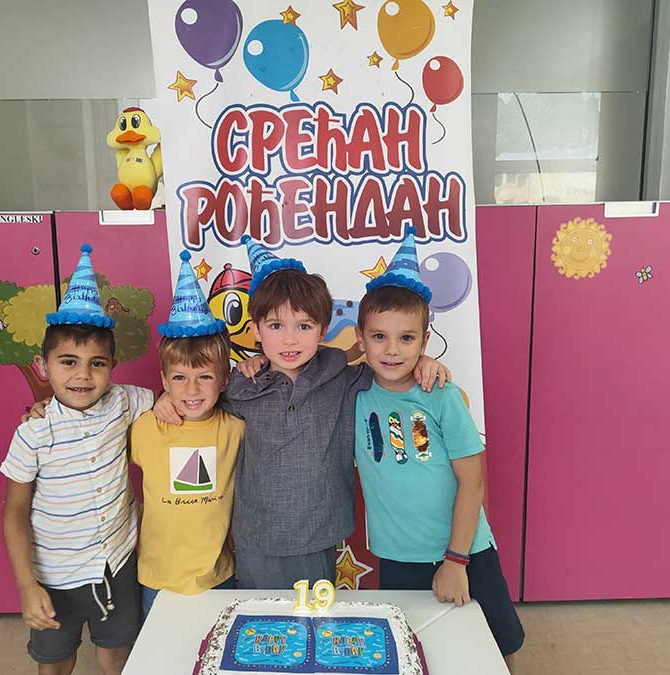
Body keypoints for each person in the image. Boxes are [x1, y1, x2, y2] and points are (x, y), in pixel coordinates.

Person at [155, 236, 450, 590]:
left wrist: (422, 361)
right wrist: (166, 398)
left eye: (304, 326)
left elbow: (391, 369)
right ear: (256, 331)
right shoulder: (241, 387)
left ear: (323, 330)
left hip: (318, 535)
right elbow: (197, 400)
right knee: (260, 617)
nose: (290, 340)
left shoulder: (343, 377)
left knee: (313, 618)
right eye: (276, 326)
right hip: (257, 538)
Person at [352, 227, 524, 663]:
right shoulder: (352, 392)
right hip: (397, 556)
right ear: (360, 338)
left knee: (496, 645)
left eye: (407, 338)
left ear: (425, 341)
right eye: (379, 337)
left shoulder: (441, 395)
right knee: (413, 649)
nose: (392, 350)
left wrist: (456, 560)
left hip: (465, 550)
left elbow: (472, 483)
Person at [1, 244, 153, 675]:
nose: (83, 375)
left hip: (117, 564)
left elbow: (176, 398)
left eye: (96, 363)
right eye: (68, 362)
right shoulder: (34, 431)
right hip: (56, 574)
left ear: (113, 366)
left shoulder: (125, 400)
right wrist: (27, 586)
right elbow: (14, 511)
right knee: (55, 660)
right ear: (43, 365)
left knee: (117, 655)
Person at [130, 251, 244, 620]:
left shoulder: (236, 428)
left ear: (224, 380)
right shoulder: (145, 427)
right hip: (158, 576)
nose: (191, 389)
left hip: (218, 574)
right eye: (179, 378)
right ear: (164, 380)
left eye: (204, 377)